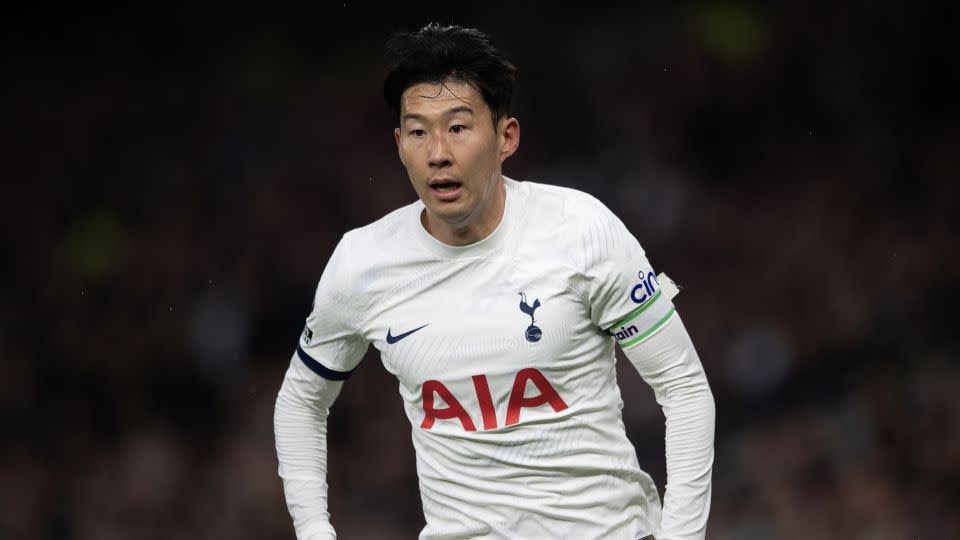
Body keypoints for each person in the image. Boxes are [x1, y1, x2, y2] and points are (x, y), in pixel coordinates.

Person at [274, 23, 715, 540]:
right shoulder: (362, 264)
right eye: (418, 131)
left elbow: (683, 386)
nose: (438, 151)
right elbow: (302, 400)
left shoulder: (581, 230)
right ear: (399, 144)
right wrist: (313, 529)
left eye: (458, 127)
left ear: (506, 137)